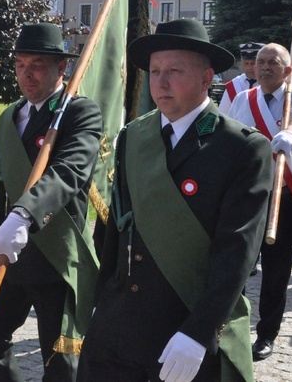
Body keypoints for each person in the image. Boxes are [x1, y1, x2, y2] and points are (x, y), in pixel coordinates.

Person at [78, 19, 273, 382]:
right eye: (155, 71)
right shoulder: (134, 136)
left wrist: (199, 331)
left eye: (175, 71)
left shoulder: (242, 148)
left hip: (183, 322)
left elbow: (237, 252)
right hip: (118, 324)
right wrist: (98, 301)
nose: (161, 83)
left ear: (206, 79)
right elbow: (114, 229)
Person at [0, 22, 102, 381]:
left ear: (62, 69)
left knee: (61, 360)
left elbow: (68, 171)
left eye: (37, 65)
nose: (26, 74)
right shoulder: (9, 117)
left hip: (57, 252)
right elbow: (6, 187)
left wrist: (25, 215)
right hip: (11, 251)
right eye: (20, 65)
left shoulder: (79, 112)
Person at [227, 43, 292, 361]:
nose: (264, 67)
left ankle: (267, 333)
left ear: (287, 69)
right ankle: (226, 324)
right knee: (236, 264)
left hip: (285, 194)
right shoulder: (241, 99)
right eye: (260, 62)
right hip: (249, 194)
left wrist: (290, 133)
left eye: (273, 62)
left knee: (276, 271)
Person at [218, 41, 263, 114]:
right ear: (241, 62)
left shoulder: (270, 84)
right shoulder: (233, 85)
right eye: (246, 63)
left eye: (253, 63)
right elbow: (223, 114)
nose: (250, 67)